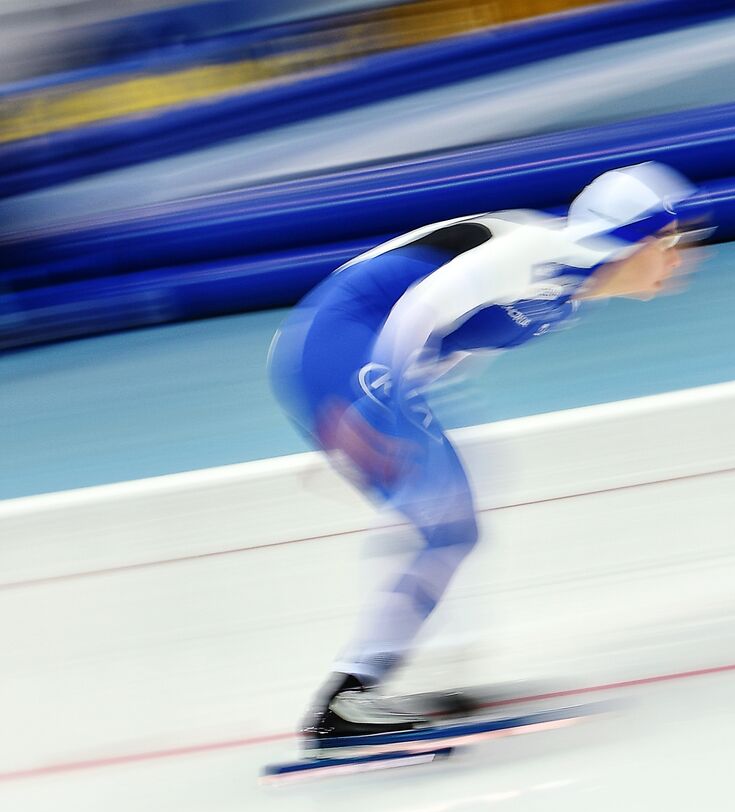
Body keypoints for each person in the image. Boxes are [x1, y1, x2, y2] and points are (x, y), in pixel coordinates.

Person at [267, 161, 711, 743]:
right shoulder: (535, 250)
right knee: (445, 518)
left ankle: (389, 680)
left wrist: (370, 410)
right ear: (632, 237)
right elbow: (422, 307)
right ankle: (348, 698)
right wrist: (370, 404)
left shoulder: (568, 297)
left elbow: (454, 339)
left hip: (349, 363)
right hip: (340, 345)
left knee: (453, 514)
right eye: (670, 242)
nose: (683, 259)